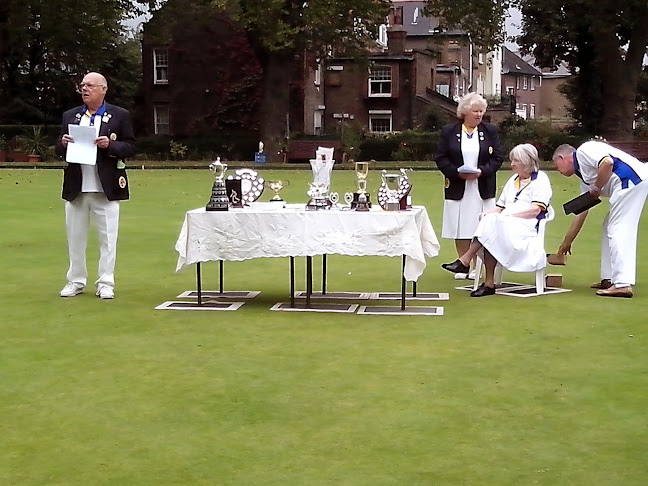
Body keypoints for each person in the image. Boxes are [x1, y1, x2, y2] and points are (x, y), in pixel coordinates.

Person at [55, 72, 135, 299]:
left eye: (90, 85)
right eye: (82, 85)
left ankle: (106, 282)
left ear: (103, 89)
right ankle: (75, 280)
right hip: (76, 187)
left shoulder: (120, 115)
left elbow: (130, 147)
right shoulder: (70, 116)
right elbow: (59, 150)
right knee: (75, 237)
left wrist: (110, 145)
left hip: (106, 187)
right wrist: (62, 143)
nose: (85, 89)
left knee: (108, 238)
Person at [442, 144, 552, 297]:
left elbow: (535, 210)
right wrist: (487, 213)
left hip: (526, 226)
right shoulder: (513, 180)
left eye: (516, 161)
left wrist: (508, 217)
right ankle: (485, 281)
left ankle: (467, 262)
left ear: (527, 162)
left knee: (492, 225)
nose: (512, 164)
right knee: (490, 223)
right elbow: (500, 207)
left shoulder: (541, 180)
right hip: (504, 223)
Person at [552, 141, 648, 298]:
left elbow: (607, 162)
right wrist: (567, 241)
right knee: (608, 226)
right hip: (628, 184)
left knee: (618, 228)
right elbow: (582, 212)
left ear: (563, 158)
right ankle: (608, 278)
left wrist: (596, 188)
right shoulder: (584, 178)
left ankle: (622, 283)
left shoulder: (585, 150)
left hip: (630, 180)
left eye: (557, 167)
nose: (559, 172)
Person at [435, 92, 503, 278]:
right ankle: (464, 265)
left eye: (481, 111)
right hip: (458, 186)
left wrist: (482, 171)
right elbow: (441, 158)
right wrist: (456, 172)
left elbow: (497, 158)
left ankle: (478, 267)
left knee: (482, 227)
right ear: (465, 111)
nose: (479, 115)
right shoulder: (449, 131)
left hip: (482, 187)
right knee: (461, 226)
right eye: (475, 111)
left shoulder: (490, 131)